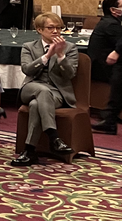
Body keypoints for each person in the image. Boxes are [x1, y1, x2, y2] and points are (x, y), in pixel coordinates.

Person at [11, 12, 79, 166]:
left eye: (58, 28)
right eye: (51, 28)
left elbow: (70, 74)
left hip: (57, 93)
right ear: (39, 29)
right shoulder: (29, 47)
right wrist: (47, 56)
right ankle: (54, 137)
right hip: (31, 88)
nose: (56, 31)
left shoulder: (70, 48)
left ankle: (29, 151)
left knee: (36, 105)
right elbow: (27, 70)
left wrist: (60, 55)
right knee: (42, 91)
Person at [90, 0, 122, 134]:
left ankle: (110, 118)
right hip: (103, 67)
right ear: (113, 10)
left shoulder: (109, 21)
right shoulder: (111, 25)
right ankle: (110, 118)